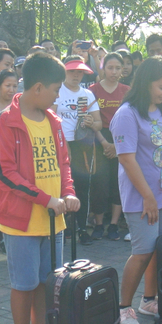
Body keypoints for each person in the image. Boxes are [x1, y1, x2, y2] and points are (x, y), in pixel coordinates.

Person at [0, 52, 78, 324]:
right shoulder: (6, 120)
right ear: (39, 87)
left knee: (46, 282)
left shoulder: (53, 120)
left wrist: (68, 193)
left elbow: (63, 163)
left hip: (53, 220)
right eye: (57, 89)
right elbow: (5, 173)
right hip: (21, 221)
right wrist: (46, 199)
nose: (59, 96)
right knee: (24, 284)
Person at [110, 56, 162, 324]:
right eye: (161, 86)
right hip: (143, 198)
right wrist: (147, 195)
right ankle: (123, 308)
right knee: (143, 251)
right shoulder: (127, 114)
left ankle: (149, 300)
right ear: (145, 84)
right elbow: (127, 159)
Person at [54, 56, 101, 245]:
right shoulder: (57, 91)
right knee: (61, 187)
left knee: (82, 187)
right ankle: (63, 228)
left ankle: (81, 228)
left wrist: (91, 122)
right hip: (60, 144)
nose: (76, 75)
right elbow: (48, 119)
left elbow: (99, 122)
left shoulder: (88, 95)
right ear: (64, 72)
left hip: (82, 145)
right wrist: (62, 146)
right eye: (72, 71)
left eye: (79, 72)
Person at [90, 52, 128, 240]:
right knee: (99, 183)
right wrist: (105, 143)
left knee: (118, 183)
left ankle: (113, 224)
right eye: (110, 67)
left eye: (118, 68)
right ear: (103, 68)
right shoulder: (93, 90)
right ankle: (98, 224)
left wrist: (117, 145)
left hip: (122, 138)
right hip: (99, 138)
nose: (114, 72)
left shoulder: (127, 91)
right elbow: (90, 121)